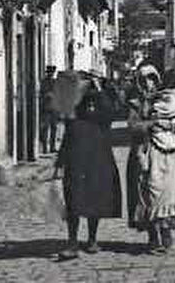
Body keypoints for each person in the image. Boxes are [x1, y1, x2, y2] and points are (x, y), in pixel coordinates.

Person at [53, 78, 122, 259]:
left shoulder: (102, 114)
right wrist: (60, 163)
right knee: (73, 200)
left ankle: (92, 240)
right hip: (76, 160)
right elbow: (67, 138)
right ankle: (73, 243)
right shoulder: (74, 113)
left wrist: (99, 90)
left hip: (98, 159)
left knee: (95, 199)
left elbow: (112, 112)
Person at [127, 66, 175, 254]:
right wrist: (153, 123)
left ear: (157, 80)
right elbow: (133, 126)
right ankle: (153, 237)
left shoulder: (169, 99)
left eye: (152, 79)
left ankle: (166, 230)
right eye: (144, 79)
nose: (148, 83)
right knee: (149, 193)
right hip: (146, 153)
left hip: (169, 153)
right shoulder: (136, 103)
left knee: (170, 193)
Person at [40, 70, 60, 154]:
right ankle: (45, 148)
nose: (51, 74)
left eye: (52, 73)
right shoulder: (44, 82)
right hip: (46, 108)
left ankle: (52, 147)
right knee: (45, 128)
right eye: (49, 73)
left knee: (54, 128)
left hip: (54, 108)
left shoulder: (55, 82)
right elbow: (42, 93)